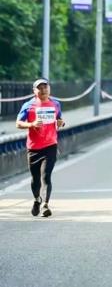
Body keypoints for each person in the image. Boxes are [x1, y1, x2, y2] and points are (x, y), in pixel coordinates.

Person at [15, 78, 65, 218]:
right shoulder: (28, 105)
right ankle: (37, 199)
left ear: (49, 88)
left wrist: (60, 123)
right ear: (34, 91)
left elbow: (59, 119)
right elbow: (18, 123)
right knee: (35, 178)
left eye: (45, 87)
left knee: (46, 176)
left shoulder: (56, 104)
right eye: (40, 88)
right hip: (33, 148)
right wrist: (32, 124)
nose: (43, 90)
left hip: (50, 145)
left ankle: (45, 205)